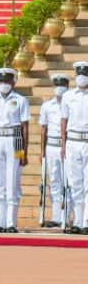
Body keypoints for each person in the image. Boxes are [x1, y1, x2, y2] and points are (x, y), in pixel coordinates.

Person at [0, 66, 29, 234]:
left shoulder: (21, 100)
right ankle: (0, 221)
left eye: (7, 81)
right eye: (1, 81)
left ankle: (11, 223)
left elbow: (25, 127)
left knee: (12, 182)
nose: (4, 84)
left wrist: (24, 151)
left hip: (14, 139)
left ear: (13, 82)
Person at [39, 74, 69, 228]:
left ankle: (68, 215)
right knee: (55, 182)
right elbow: (43, 129)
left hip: (67, 146)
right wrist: (42, 151)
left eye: (62, 85)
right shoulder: (47, 106)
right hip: (51, 146)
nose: (59, 88)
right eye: (57, 85)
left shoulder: (71, 103)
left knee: (67, 182)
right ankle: (57, 217)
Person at [61, 63, 88, 233]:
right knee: (75, 183)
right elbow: (64, 120)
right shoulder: (68, 96)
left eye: (84, 73)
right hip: (72, 142)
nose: (82, 76)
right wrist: (63, 145)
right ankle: (77, 221)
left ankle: (87, 221)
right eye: (79, 73)